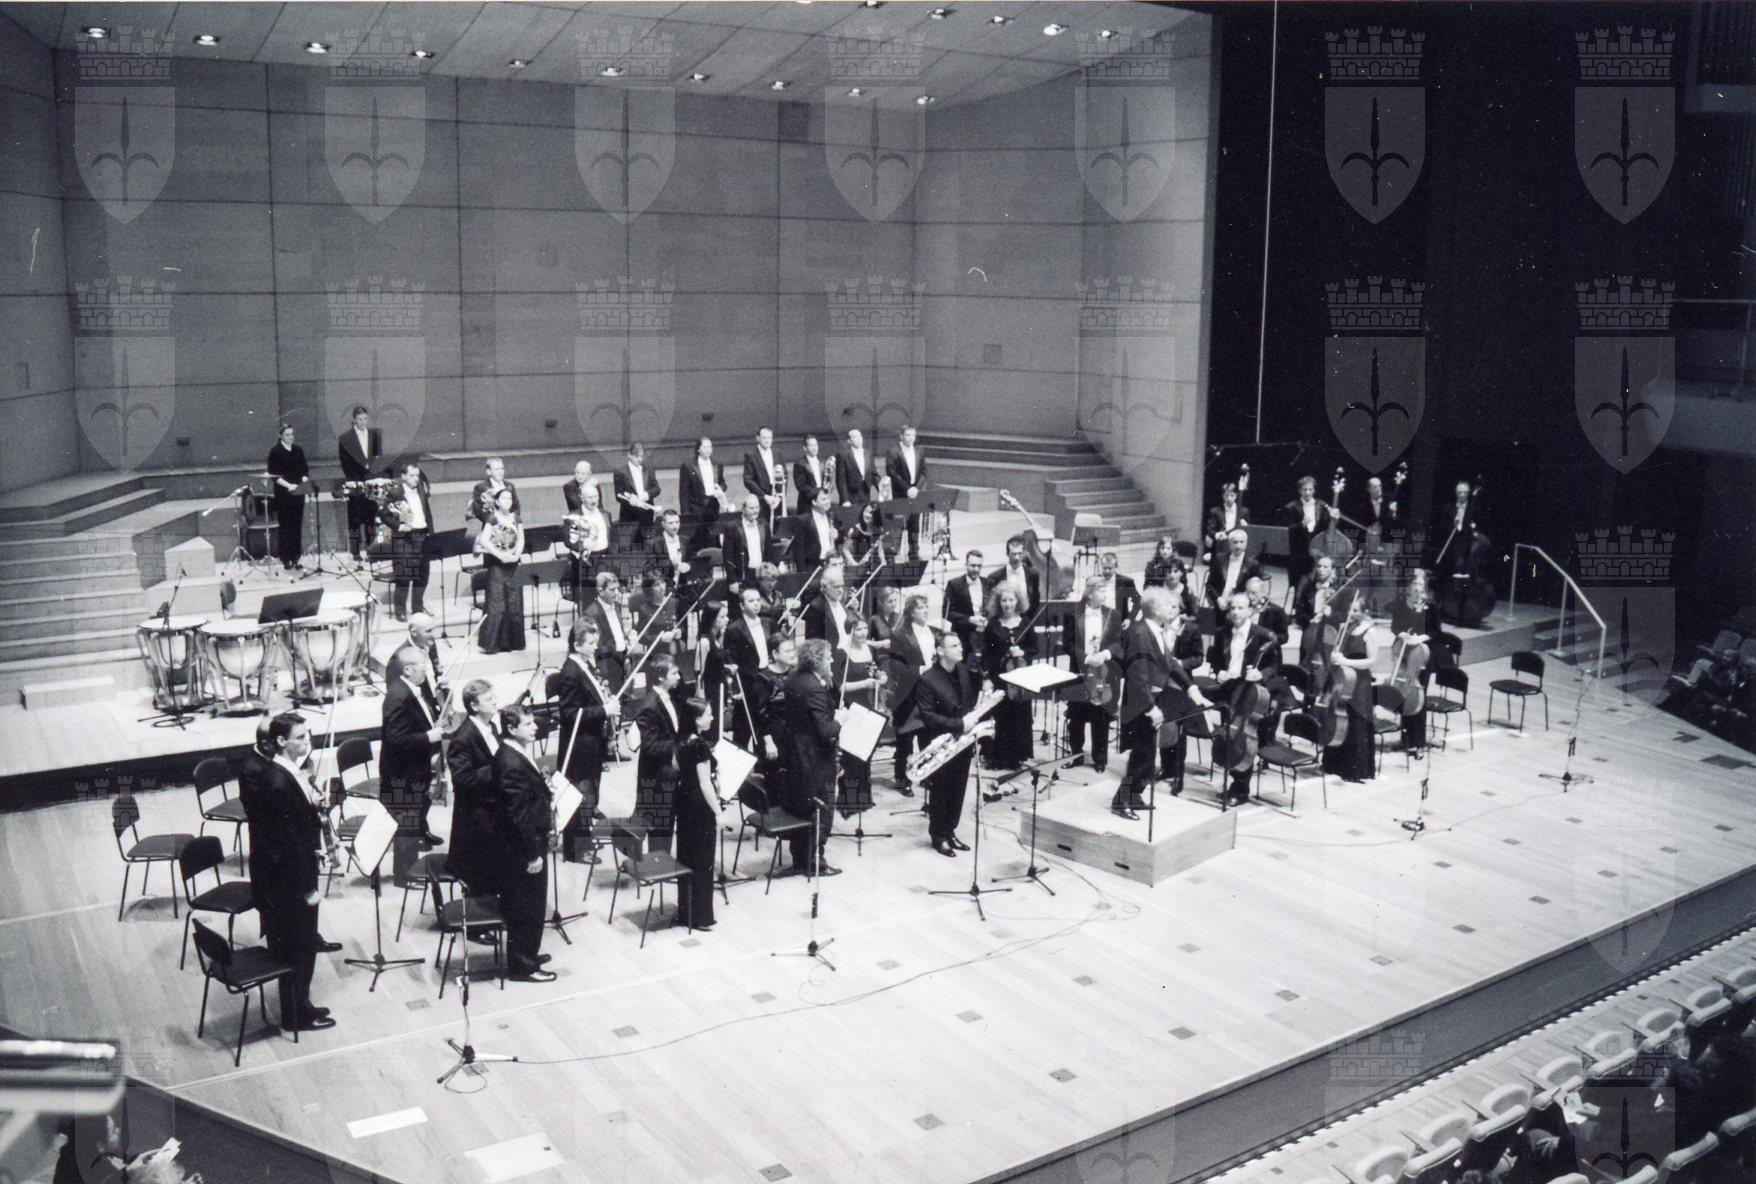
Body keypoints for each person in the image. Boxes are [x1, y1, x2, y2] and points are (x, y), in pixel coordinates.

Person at [238, 712, 335, 1031]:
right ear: (281, 741)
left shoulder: (285, 772)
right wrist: (307, 888)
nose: (308, 742)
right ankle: (296, 1015)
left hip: (289, 877)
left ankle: (301, 1004)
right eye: (300, 738)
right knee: (299, 949)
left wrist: (312, 804)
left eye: (308, 735)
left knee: (300, 947)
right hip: (291, 884)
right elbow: (286, 846)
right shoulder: (278, 782)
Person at [1116, 588, 1213, 819]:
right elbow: (1138, 676)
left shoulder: (1155, 630)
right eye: (1167, 604)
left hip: (1151, 698)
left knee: (1148, 755)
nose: (1173, 608)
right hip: (1140, 702)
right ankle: (1122, 800)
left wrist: (1191, 688)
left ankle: (1135, 795)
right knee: (1141, 754)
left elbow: (1170, 662)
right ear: (1155, 608)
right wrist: (1151, 709)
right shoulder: (1140, 632)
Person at [491, 704, 555, 983]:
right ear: (511, 729)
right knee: (526, 906)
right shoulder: (510, 762)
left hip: (529, 841)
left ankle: (529, 953)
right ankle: (522, 966)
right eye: (528, 724)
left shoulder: (516, 752)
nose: (535, 727)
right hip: (523, 849)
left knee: (532, 904)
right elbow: (517, 815)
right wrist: (532, 854)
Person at [1206, 593, 1282, 806]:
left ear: (1250, 610)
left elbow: (1275, 666)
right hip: (1228, 688)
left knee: (1244, 737)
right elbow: (1216, 660)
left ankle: (1240, 789)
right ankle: (1231, 782)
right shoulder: (1222, 632)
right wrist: (1219, 672)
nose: (1235, 612)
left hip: (1249, 690)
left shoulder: (1263, 635)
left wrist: (1260, 674)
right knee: (1229, 735)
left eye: (1240, 608)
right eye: (1232, 608)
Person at [916, 631, 986, 856]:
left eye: (959, 644)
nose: (960, 648)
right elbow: (927, 715)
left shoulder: (962, 671)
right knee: (942, 790)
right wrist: (959, 724)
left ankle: (950, 830)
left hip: (962, 741)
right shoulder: (927, 679)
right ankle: (938, 835)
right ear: (940, 651)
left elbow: (967, 702)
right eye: (954, 646)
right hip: (940, 744)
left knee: (959, 787)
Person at [552, 619, 617, 861]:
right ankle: (575, 850)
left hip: (591, 741)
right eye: (590, 643)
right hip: (578, 745)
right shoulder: (570, 671)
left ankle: (585, 838)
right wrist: (603, 710)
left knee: (589, 794)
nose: (595, 647)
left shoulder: (584, 664)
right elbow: (569, 713)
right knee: (579, 796)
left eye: (595, 642)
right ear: (577, 645)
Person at [780, 639, 842, 877]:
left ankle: (800, 858)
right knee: (820, 809)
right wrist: (840, 720)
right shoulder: (814, 687)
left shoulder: (794, 678)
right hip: (815, 758)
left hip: (796, 753)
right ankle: (816, 862)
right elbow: (826, 730)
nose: (832, 660)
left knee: (801, 807)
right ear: (817, 661)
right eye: (828, 657)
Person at [382, 644, 443, 853]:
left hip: (418, 761)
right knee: (412, 804)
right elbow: (395, 739)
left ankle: (422, 830)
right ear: (407, 669)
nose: (425, 670)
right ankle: (413, 842)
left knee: (422, 800)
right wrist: (428, 736)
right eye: (422, 666)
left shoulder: (412, 687)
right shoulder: (398, 696)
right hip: (404, 768)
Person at [444, 679, 501, 895]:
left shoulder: (491, 727)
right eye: (489, 699)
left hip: (492, 808)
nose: (495, 702)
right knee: (480, 881)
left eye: (494, 697)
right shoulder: (462, 737)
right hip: (475, 819)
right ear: (474, 706)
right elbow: (462, 779)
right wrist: (499, 768)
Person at [672, 698, 722, 930]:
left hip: (684, 802)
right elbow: (705, 784)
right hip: (700, 807)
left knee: (687, 857)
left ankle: (686, 913)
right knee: (703, 861)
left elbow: (676, 766)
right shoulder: (700, 745)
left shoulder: (681, 738)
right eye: (708, 714)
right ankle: (701, 917)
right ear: (696, 719)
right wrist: (719, 812)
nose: (712, 717)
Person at [1066, 574, 1123, 773]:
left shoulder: (1113, 615)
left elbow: (1119, 642)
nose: (1104, 594)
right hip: (1080, 670)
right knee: (1076, 716)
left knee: (1101, 715)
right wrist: (1086, 658)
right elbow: (1068, 643)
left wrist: (1105, 655)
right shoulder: (1073, 613)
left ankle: (1100, 759)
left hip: (1103, 672)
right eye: (1101, 590)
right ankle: (1076, 754)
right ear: (1089, 594)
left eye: (1106, 590)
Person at [1321, 592, 1378, 783]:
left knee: (1356, 722)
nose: (1350, 613)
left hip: (1360, 683)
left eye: (1355, 611)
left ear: (1365, 612)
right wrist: (1334, 656)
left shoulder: (1369, 631)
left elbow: (1371, 661)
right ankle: (1334, 764)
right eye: (1349, 610)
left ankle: (1356, 770)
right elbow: (1337, 650)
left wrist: (1345, 661)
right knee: (1339, 718)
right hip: (1343, 680)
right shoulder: (1345, 627)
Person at [885, 592, 938, 795]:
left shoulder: (932, 632)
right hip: (908, 692)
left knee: (928, 736)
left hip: (929, 691)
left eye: (926, 607)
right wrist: (919, 670)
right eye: (920, 607)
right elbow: (894, 665)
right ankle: (902, 780)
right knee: (905, 740)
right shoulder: (900, 634)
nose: (925, 611)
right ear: (911, 612)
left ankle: (925, 775)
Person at [1389, 569, 1444, 752]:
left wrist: (1420, 638)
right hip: (1404, 653)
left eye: (1421, 584)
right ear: (1409, 587)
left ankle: (1418, 743)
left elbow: (1436, 632)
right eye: (1415, 584)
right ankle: (1404, 739)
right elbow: (1395, 627)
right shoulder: (1401, 605)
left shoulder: (1431, 607)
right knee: (1404, 695)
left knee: (1418, 698)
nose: (1418, 588)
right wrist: (1402, 634)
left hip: (1422, 656)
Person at [833, 615, 884, 814]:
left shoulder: (869, 650)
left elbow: (875, 672)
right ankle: (848, 803)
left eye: (865, 629)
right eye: (858, 630)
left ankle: (864, 799)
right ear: (850, 631)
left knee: (866, 753)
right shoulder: (841, 653)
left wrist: (881, 677)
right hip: (851, 706)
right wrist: (865, 684)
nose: (863, 633)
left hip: (868, 704)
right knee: (851, 755)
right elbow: (840, 686)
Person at [982, 584, 1036, 769]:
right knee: (1002, 717)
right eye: (1004, 600)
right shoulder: (993, 624)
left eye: (1011, 600)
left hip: (1021, 677)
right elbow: (987, 653)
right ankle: (999, 758)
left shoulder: (1026, 622)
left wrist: (1022, 652)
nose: (1008, 604)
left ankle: (1016, 758)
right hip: (1000, 676)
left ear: (1017, 601)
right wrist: (987, 677)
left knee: (1020, 717)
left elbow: (1034, 648)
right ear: (998, 602)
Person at [634, 655, 685, 848]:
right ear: (661, 677)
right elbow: (650, 746)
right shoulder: (649, 706)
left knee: (666, 824)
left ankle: (662, 861)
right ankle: (658, 863)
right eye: (674, 673)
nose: (678, 676)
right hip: (656, 777)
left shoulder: (668, 695)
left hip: (667, 772)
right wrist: (679, 744)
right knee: (660, 828)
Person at [474, 488, 525, 654]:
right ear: (496, 501)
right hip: (497, 564)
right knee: (496, 604)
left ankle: (513, 643)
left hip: (513, 564)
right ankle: (493, 644)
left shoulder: (516, 518)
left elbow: (521, 539)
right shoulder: (492, 518)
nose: (507, 501)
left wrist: (516, 555)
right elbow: (484, 540)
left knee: (514, 602)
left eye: (510, 498)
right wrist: (500, 555)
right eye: (503, 498)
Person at [380, 462, 433, 621]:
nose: (416, 478)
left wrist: (431, 534)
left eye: (417, 475)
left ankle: (417, 608)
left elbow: (427, 513)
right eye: (412, 475)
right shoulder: (395, 492)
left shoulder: (421, 490)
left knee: (422, 574)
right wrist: (398, 526)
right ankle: (400, 611)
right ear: (403, 476)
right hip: (404, 539)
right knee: (404, 575)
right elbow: (384, 514)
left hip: (422, 536)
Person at [337, 404, 381, 560]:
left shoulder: (375, 435)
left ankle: (371, 550)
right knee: (354, 519)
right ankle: (355, 553)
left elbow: (377, 458)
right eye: (360, 419)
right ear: (354, 420)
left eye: (365, 418)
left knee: (371, 518)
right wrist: (356, 481)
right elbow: (345, 463)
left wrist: (372, 475)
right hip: (355, 484)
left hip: (371, 483)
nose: (363, 422)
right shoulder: (345, 438)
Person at [266, 423, 309, 571]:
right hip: (283, 494)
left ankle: (296, 557)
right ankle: (285, 558)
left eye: (292, 434)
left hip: (298, 492)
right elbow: (274, 474)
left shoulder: (298, 450)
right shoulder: (275, 452)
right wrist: (288, 485)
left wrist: (303, 480)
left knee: (297, 525)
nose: (291, 437)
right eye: (287, 435)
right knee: (285, 526)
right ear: (280, 436)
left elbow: (305, 469)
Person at [584, 572, 632, 689]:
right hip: (607, 665)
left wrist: (626, 644)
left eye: (617, 588)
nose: (617, 593)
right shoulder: (591, 613)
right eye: (612, 590)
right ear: (601, 591)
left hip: (622, 660)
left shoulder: (616, 607)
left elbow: (619, 633)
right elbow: (597, 644)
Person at [885, 425, 926, 561]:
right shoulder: (893, 451)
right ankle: (892, 554)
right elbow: (892, 473)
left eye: (913, 435)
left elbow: (924, 472)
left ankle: (913, 553)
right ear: (901, 436)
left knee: (914, 525)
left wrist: (916, 488)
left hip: (915, 493)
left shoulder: (920, 450)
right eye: (908, 435)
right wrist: (907, 489)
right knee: (897, 524)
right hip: (900, 493)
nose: (911, 438)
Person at [1282, 475, 1330, 590]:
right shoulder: (1291, 507)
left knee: (1317, 584)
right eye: (1304, 489)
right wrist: (1301, 525)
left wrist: (1333, 518)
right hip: (1299, 553)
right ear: (1300, 490)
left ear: (1314, 490)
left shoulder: (1322, 506)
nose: (1307, 493)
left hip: (1317, 552)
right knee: (1300, 587)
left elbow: (1326, 526)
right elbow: (1288, 529)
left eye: (1310, 489)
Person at [943, 550, 990, 663]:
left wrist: (987, 621)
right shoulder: (954, 584)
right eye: (973, 565)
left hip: (986, 637)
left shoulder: (988, 583)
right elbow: (946, 612)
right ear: (966, 565)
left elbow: (994, 609)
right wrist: (969, 619)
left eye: (979, 566)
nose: (976, 569)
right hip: (963, 637)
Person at [679, 436, 727, 542]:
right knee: (698, 538)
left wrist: (720, 488)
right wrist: (685, 514)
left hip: (713, 506)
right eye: (705, 447)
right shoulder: (688, 466)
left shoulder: (717, 464)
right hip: (696, 507)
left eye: (710, 447)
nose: (708, 450)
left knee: (713, 536)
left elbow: (723, 483)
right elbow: (684, 492)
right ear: (698, 449)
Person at [1204, 528, 1262, 609]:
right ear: (1229, 544)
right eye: (1235, 542)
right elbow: (1209, 585)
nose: (1238, 546)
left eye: (1241, 542)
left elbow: (1254, 591)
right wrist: (1218, 599)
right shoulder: (1219, 559)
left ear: (1246, 543)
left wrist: (1238, 601)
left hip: (1240, 607)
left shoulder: (1253, 564)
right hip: (1220, 604)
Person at [721, 494, 770, 588]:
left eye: (757, 507)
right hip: (742, 575)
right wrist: (732, 580)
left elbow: (768, 552)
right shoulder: (732, 528)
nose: (755, 511)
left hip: (761, 574)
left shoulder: (764, 525)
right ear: (743, 509)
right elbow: (727, 557)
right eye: (751, 508)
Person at [613, 442, 661, 532]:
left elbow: (657, 489)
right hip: (629, 515)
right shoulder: (620, 472)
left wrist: (648, 494)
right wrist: (630, 499)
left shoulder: (648, 469)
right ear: (629, 455)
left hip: (647, 516)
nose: (640, 459)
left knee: (647, 539)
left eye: (642, 456)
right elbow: (618, 495)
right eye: (636, 456)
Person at [803, 565, 852, 648]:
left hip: (849, 648)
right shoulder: (816, 607)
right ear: (825, 587)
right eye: (836, 587)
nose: (840, 590)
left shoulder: (841, 600)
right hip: (832, 652)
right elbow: (813, 642)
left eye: (842, 586)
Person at [792, 485, 839, 568]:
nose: (827, 502)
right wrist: (802, 570)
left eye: (828, 498)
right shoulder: (803, 520)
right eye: (824, 499)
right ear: (814, 501)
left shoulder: (833, 516)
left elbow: (840, 540)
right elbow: (799, 549)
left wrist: (837, 535)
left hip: (832, 563)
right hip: (812, 566)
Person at [743, 426, 785, 520]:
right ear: (757, 438)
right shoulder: (750, 455)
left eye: (769, 438)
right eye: (764, 438)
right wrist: (764, 496)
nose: (767, 441)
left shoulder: (778, 454)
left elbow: (784, 475)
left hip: (776, 499)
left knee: (778, 525)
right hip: (760, 500)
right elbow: (748, 480)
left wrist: (779, 497)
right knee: (762, 526)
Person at [467, 457, 518, 528]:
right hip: (490, 526)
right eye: (497, 469)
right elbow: (478, 510)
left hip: (509, 525)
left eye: (502, 469)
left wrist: (511, 519)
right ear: (489, 471)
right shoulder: (481, 487)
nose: (500, 472)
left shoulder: (510, 486)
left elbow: (516, 506)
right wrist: (494, 521)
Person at [647, 508, 692, 582]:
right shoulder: (653, 543)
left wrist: (688, 566)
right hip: (664, 584)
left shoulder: (685, 540)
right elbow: (651, 568)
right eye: (671, 523)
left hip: (683, 582)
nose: (675, 526)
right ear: (663, 524)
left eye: (677, 522)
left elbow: (692, 559)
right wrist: (672, 563)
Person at [836, 427, 878, 506]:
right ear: (849, 441)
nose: (859, 439)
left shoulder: (868, 453)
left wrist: (883, 490)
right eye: (855, 437)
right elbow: (841, 479)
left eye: (860, 436)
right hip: (851, 493)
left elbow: (874, 474)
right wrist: (845, 499)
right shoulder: (842, 455)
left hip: (865, 491)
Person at [841, 500, 885, 572]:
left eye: (870, 513)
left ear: (876, 516)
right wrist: (855, 564)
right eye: (865, 511)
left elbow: (880, 549)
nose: (867, 515)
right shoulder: (855, 530)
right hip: (858, 567)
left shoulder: (878, 530)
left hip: (874, 566)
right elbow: (845, 550)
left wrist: (883, 562)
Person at [794, 435, 829, 513]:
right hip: (807, 503)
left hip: (822, 501)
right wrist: (817, 493)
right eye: (811, 445)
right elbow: (801, 485)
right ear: (805, 448)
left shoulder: (822, 461)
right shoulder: (800, 464)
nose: (814, 448)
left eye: (816, 445)